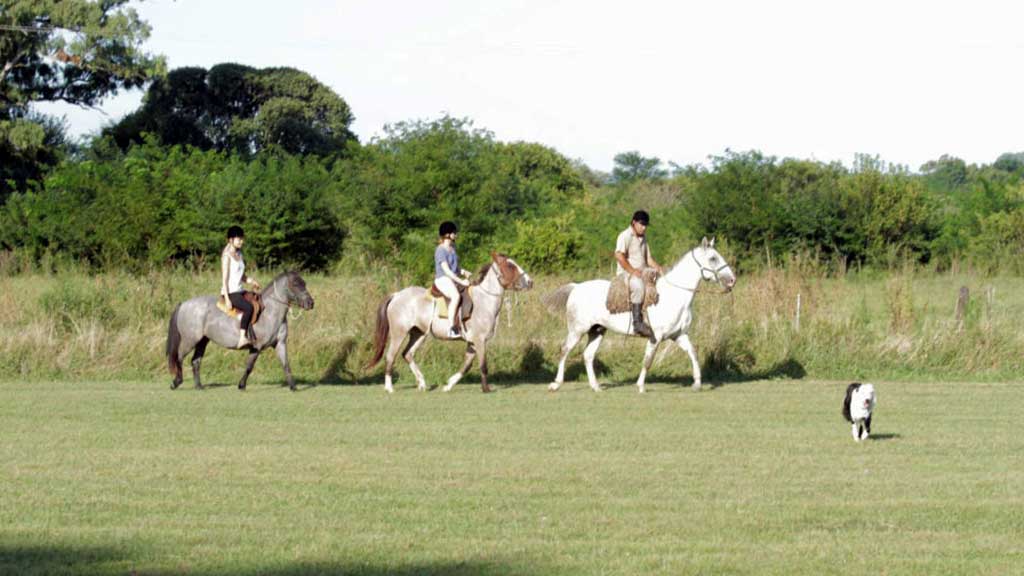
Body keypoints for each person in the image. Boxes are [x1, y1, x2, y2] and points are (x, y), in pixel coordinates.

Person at [614, 210, 663, 339]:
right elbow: (618, 255)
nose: (644, 227)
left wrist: (659, 268)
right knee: (638, 286)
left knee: (659, 283)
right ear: (634, 222)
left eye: (646, 225)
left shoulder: (644, 238)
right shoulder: (625, 236)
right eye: (641, 224)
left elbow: (648, 259)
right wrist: (632, 271)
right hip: (626, 273)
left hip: (641, 272)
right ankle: (637, 323)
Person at [221, 226, 261, 348]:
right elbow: (225, 279)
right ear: (230, 240)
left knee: (257, 299)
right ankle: (242, 338)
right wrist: (227, 299)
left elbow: (242, 276)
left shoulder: (239, 254)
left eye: (242, 239)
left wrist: (251, 281)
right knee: (248, 308)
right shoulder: (226, 256)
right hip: (231, 292)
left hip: (240, 290)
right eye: (239, 239)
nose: (241, 242)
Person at [434, 221, 472, 338]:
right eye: (454, 232)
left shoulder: (452, 249)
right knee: (456, 296)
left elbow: (455, 268)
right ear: (448, 234)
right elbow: (447, 271)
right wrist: (462, 281)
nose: (456, 235)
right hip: (443, 279)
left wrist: (463, 271)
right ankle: (451, 328)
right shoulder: (440, 250)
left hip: (451, 279)